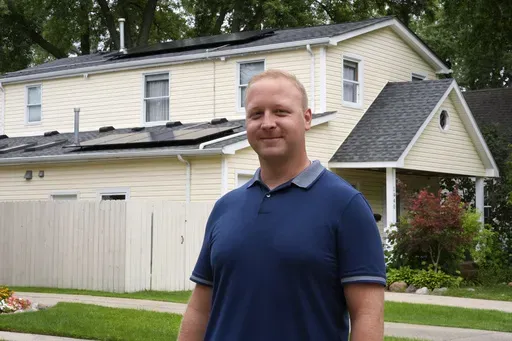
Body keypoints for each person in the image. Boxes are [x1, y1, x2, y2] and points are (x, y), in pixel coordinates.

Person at [178, 69, 386, 341]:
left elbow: (367, 316)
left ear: (307, 118)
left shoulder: (346, 206)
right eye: (256, 114)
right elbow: (200, 310)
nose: (267, 123)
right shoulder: (225, 208)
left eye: (280, 111)